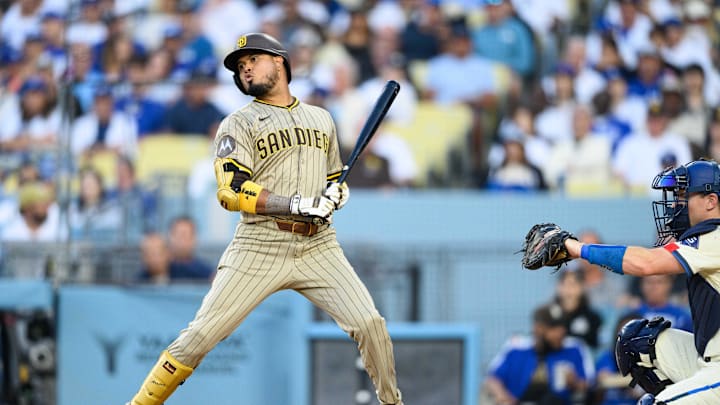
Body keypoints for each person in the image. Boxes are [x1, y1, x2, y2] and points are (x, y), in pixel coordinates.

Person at [127, 33, 404, 405]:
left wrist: (336, 193)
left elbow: (330, 179)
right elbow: (232, 191)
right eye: (240, 67)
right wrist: (297, 203)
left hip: (318, 244)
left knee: (371, 324)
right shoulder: (237, 123)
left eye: (252, 60)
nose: (245, 70)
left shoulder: (321, 119)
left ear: (279, 61)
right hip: (261, 243)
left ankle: (392, 402)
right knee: (200, 335)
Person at [558, 158, 720, 403]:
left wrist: (578, 249)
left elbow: (646, 264)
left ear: (711, 201)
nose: (677, 203)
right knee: (637, 343)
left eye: (685, 195)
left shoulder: (714, 236)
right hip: (708, 357)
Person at [484, 303, 595, 405]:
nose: (561, 332)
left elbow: (591, 384)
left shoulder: (574, 348)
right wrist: (503, 397)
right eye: (553, 327)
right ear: (538, 328)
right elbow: (493, 379)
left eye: (562, 326)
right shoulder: (517, 348)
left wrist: (574, 383)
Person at [166, 216, 213, 281]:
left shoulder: (207, 273)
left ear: (194, 239)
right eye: (179, 235)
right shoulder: (160, 269)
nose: (182, 240)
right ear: (170, 237)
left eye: (186, 235)